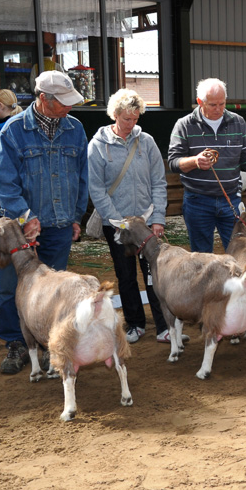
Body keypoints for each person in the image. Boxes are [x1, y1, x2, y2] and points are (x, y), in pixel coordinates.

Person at [0, 70, 89, 375]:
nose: (69, 108)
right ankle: (15, 343)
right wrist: (25, 217)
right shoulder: (13, 131)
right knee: (13, 288)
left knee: (55, 290)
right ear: (44, 99)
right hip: (21, 232)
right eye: (63, 102)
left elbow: (82, 177)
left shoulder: (75, 129)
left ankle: (51, 343)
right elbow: (4, 184)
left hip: (60, 225)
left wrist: (76, 217)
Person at [88, 89, 171, 344]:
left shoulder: (146, 142)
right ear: (115, 115)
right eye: (126, 119)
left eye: (136, 119)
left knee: (154, 274)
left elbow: (158, 181)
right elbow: (96, 189)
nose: (131, 124)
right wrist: (119, 223)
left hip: (145, 224)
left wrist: (157, 218)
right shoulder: (98, 146)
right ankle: (135, 324)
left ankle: (163, 326)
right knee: (125, 276)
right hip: (116, 225)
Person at [167, 78, 246, 253]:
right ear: (200, 102)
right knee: (202, 257)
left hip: (231, 200)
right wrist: (195, 161)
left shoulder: (238, 122)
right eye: (212, 105)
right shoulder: (185, 125)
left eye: (222, 104)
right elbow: (173, 162)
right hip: (198, 201)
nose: (218, 109)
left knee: (240, 252)